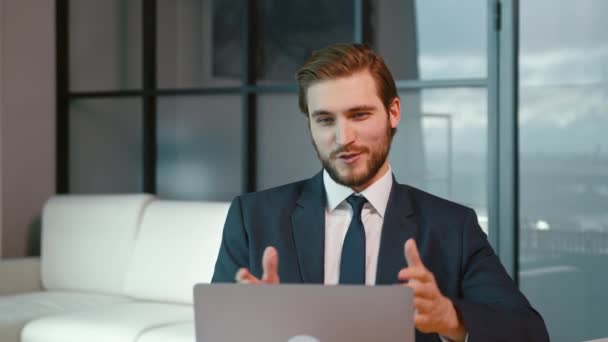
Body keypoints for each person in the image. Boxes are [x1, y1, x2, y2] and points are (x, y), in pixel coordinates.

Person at [212, 43, 549, 341]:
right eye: (325, 120)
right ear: (310, 126)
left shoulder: (452, 226)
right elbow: (215, 333)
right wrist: (253, 328)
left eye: (359, 115)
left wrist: (449, 319)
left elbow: (530, 332)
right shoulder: (252, 217)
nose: (344, 137)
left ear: (393, 113)